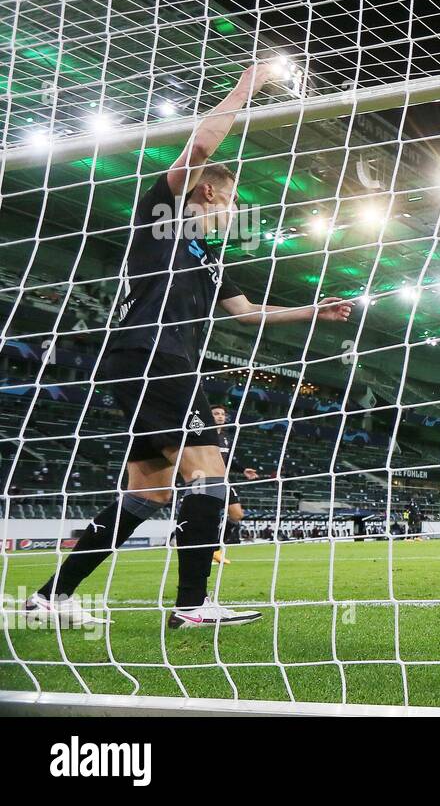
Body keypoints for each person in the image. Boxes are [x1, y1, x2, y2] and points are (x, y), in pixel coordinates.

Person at [24, 61, 353, 629]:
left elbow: (247, 314)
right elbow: (202, 141)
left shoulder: (209, 257)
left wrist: (312, 312)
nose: (232, 215)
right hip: (154, 355)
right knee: (209, 474)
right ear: (209, 193)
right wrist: (254, 78)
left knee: (147, 494)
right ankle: (193, 605)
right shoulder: (164, 215)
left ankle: (48, 598)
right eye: (229, 202)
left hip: (145, 362)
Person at [209, 404, 259, 564]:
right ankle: (181, 539)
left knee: (237, 514)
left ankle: (215, 549)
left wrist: (243, 470)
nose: (220, 416)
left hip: (223, 481)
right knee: (206, 517)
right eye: (216, 414)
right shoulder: (203, 435)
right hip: (204, 480)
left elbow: (229, 460)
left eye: (222, 414)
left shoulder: (224, 437)